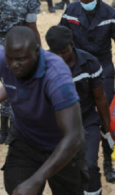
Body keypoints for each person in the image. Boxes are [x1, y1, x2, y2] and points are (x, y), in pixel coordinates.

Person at [0, 26, 88, 195]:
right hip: (25, 141)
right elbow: (13, 84)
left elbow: (74, 136)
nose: (14, 65)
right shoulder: (6, 60)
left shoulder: (56, 75)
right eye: (10, 60)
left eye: (20, 59)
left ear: (37, 51)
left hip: (62, 146)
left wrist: (36, 180)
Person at [59, 0, 115, 183]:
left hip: (103, 69)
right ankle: (78, 156)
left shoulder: (111, 14)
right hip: (76, 68)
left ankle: (108, 161)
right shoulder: (71, 11)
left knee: (106, 115)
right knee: (77, 112)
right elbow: (60, 39)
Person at [45, 25, 115, 195]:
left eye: (64, 52)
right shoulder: (44, 66)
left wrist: (108, 130)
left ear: (72, 44)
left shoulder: (90, 63)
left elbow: (100, 99)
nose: (60, 57)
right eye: (56, 53)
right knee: (61, 170)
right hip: (57, 125)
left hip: (87, 120)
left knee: (90, 165)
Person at [0, 0, 41, 144]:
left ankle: (3, 129)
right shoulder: (29, 1)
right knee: (15, 86)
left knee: (7, 85)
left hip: (2, 46)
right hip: (21, 48)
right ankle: (11, 130)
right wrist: (39, 50)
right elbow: (32, 27)